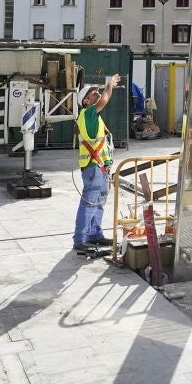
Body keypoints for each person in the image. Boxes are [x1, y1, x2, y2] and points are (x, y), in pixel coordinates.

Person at [73, 74, 121, 254]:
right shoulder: (88, 113)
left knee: (99, 202)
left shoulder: (94, 116)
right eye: (93, 93)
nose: (98, 93)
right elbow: (105, 100)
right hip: (93, 167)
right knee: (89, 202)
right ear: (85, 101)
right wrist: (109, 85)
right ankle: (80, 239)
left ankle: (94, 234)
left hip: (100, 167)